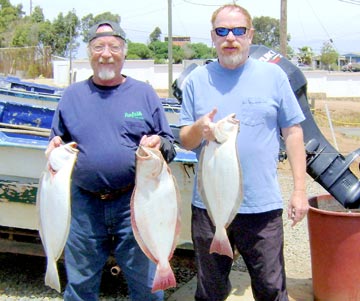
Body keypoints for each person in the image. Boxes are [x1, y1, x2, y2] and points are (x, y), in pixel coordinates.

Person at [179, 4, 309, 301]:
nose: (230, 38)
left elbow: (293, 133)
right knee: (210, 291)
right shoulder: (197, 80)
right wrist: (200, 128)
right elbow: (185, 140)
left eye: (238, 31)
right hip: (210, 209)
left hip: (262, 209)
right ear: (213, 37)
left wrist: (300, 191)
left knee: (271, 289)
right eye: (222, 31)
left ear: (250, 35)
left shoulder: (274, 76)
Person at [45, 20, 176, 301]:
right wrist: (53, 147)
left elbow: (169, 145)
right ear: (89, 53)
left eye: (114, 46)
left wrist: (158, 144)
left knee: (148, 287)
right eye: (98, 46)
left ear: (124, 53)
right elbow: (57, 143)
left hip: (135, 204)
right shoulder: (71, 96)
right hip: (84, 205)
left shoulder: (144, 94)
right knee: (80, 286)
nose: (106, 53)